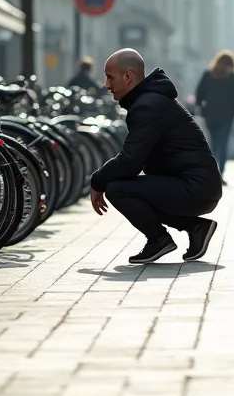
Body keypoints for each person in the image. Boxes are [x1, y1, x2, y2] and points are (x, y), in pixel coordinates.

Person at [89, 48, 223, 264]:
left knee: (117, 189)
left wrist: (97, 181)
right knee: (129, 187)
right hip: (198, 185)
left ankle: (158, 240)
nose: (106, 84)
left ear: (128, 76)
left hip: (195, 187)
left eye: (109, 77)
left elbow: (130, 161)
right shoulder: (149, 101)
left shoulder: (148, 106)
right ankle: (196, 227)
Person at [195, 50, 234, 177]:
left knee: (213, 142)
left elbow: (200, 92)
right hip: (227, 115)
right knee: (222, 143)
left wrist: (200, 106)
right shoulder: (233, 77)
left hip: (210, 114)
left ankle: (212, 169)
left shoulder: (208, 74)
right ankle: (220, 171)